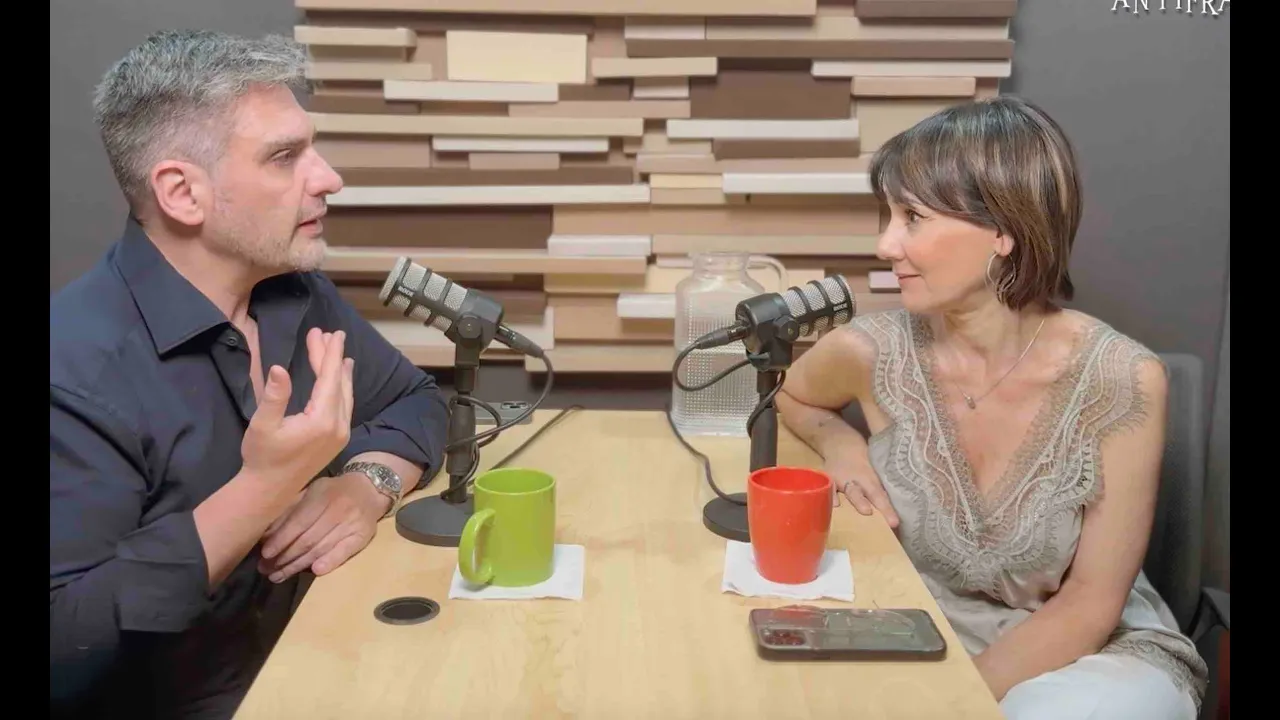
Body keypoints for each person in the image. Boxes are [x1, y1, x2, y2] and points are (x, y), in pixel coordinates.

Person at [50, 30, 449, 719]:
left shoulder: (291, 290)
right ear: (183, 193)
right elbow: (65, 643)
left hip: (323, 662)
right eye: (284, 157)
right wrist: (264, 487)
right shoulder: (75, 371)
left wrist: (366, 485)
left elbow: (414, 402)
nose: (327, 178)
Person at [777, 96, 1207, 719]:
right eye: (888, 215)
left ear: (1004, 229)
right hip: (921, 633)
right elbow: (791, 395)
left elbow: (1090, 605)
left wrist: (950, 704)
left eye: (912, 217)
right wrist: (839, 442)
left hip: (1092, 656)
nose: (885, 243)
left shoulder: (1122, 379)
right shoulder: (870, 350)